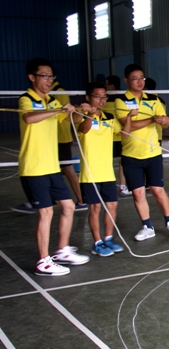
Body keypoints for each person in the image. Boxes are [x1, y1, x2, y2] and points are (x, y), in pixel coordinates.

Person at [18, 58, 89, 276]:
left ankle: (62, 251)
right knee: (46, 212)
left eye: (51, 76)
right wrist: (57, 110)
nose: (49, 80)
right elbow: (30, 118)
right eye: (44, 76)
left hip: (51, 167)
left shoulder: (52, 100)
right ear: (32, 77)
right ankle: (43, 261)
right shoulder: (26, 99)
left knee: (68, 207)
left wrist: (83, 111)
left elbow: (72, 120)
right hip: (34, 167)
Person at [114, 64, 169, 241]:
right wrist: (152, 119)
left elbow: (164, 125)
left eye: (141, 78)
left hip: (152, 154)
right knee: (138, 193)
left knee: (158, 190)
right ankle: (147, 226)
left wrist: (165, 120)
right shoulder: (121, 101)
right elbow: (128, 125)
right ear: (126, 80)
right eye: (135, 78)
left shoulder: (154, 99)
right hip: (131, 155)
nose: (139, 81)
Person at [78, 82, 134, 256]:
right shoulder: (80, 115)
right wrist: (90, 114)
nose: (102, 100)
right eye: (97, 97)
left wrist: (129, 117)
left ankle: (108, 239)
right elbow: (83, 130)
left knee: (112, 206)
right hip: (90, 173)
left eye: (104, 97)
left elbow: (125, 135)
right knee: (95, 208)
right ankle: (97, 243)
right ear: (88, 97)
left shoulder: (109, 118)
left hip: (107, 172)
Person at [52, 80, 88, 211]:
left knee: (68, 170)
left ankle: (82, 200)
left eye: (49, 76)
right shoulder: (49, 94)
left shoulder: (59, 92)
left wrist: (67, 135)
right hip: (53, 139)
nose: (47, 80)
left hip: (61, 138)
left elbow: (68, 116)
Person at [105, 74, 131, 196]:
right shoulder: (109, 99)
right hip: (111, 137)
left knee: (121, 163)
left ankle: (122, 186)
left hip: (119, 136)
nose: (106, 86)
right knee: (117, 163)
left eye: (107, 84)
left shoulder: (118, 100)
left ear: (112, 85)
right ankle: (116, 186)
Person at [143, 77, 168, 146]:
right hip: (143, 135)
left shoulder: (157, 101)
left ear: (145, 88)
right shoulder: (160, 100)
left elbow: (163, 120)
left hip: (155, 134)